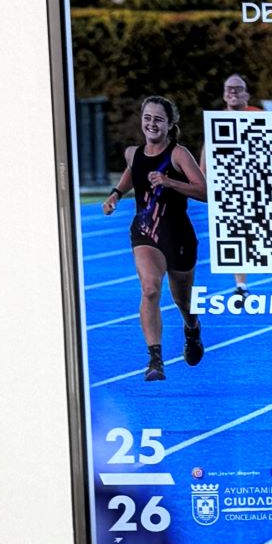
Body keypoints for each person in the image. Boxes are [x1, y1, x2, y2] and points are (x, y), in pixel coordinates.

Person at [102, 96, 207, 383]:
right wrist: (115, 195)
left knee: (183, 301)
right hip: (145, 233)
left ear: (170, 124)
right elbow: (131, 171)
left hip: (178, 236)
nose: (152, 123)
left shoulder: (179, 154)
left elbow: (205, 192)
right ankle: (155, 359)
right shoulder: (133, 153)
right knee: (149, 289)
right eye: (147, 118)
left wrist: (169, 181)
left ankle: (192, 328)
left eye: (158, 119)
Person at [218, 72, 259, 300]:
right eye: (229, 88)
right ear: (224, 94)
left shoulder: (259, 116)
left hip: (261, 186)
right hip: (233, 190)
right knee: (237, 235)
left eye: (238, 88)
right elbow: (208, 153)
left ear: (247, 94)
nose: (233, 92)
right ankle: (241, 284)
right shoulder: (217, 121)